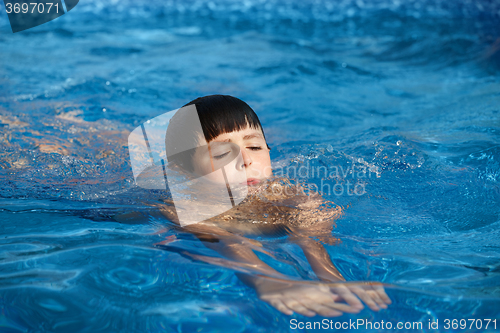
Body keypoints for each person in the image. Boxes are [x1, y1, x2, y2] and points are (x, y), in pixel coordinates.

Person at [155, 95, 391, 317]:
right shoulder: (182, 206)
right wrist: (267, 278)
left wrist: (333, 277)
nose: (246, 160)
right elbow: (226, 242)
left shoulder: (287, 194)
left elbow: (311, 235)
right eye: (223, 153)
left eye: (255, 147)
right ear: (184, 172)